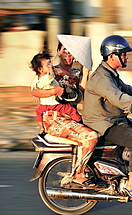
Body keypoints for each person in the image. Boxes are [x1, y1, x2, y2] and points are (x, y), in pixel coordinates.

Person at [83, 35, 132, 201]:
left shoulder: (110, 73)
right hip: (104, 123)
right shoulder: (101, 78)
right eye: (123, 54)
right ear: (112, 56)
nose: (126, 57)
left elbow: (127, 89)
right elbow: (118, 98)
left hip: (114, 118)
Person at [31, 36, 97, 188]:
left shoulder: (76, 72)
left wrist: (86, 73)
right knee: (90, 137)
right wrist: (52, 91)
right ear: (58, 52)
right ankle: (78, 174)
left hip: (70, 118)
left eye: (72, 53)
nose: (68, 55)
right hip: (55, 119)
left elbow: (81, 94)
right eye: (65, 51)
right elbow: (35, 91)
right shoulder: (51, 70)